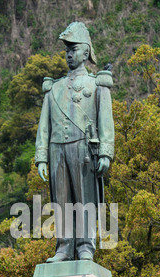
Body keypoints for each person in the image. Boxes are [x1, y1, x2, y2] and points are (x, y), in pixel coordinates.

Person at [35, 22, 114, 263]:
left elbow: (105, 122)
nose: (69, 54)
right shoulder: (53, 88)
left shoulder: (97, 85)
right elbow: (44, 126)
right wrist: (41, 156)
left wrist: (105, 153)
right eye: (66, 50)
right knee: (61, 199)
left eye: (74, 48)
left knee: (84, 198)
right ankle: (64, 247)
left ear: (86, 52)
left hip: (84, 148)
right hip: (56, 148)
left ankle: (85, 247)